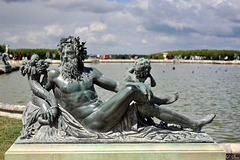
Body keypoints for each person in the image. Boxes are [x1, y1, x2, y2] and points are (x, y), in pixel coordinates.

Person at [45, 36, 215, 133]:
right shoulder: (54, 74)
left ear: (80, 55)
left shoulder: (91, 72)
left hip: (104, 113)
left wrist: (141, 88)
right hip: (93, 122)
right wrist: (48, 107)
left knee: (145, 108)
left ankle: (194, 124)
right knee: (132, 89)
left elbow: (116, 85)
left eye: (72, 54)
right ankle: (161, 99)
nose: (67, 58)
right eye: (65, 54)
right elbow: (36, 94)